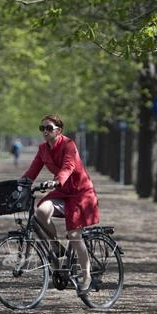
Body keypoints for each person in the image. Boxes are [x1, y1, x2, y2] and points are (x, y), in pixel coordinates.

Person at [20, 114, 100, 294]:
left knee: (73, 234)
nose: (45, 132)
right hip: (63, 192)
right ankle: (56, 246)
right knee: (41, 211)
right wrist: (19, 184)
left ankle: (86, 275)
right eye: (42, 128)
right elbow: (32, 171)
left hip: (81, 193)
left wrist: (56, 181)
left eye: (49, 128)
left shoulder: (68, 144)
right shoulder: (43, 149)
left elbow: (68, 166)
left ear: (59, 131)